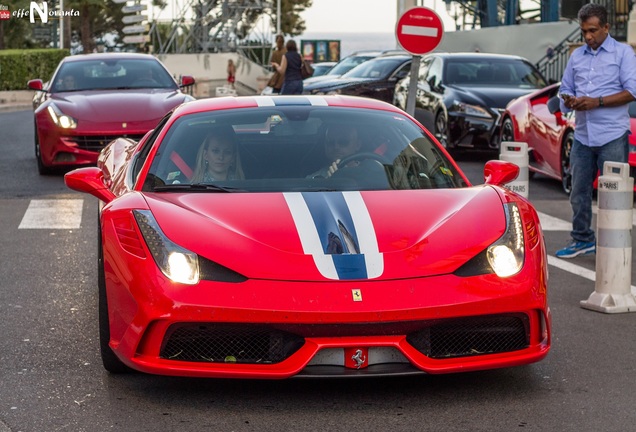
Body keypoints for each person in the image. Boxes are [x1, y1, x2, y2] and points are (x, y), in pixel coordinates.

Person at [555, 3, 636, 259]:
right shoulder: (577, 56)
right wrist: (568, 99)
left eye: (592, 30)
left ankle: (616, 244)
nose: (588, 36)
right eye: (584, 32)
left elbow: (633, 91)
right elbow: (564, 88)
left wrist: (596, 101)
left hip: (612, 134)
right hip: (582, 135)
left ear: (606, 28)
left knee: (614, 193)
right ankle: (582, 239)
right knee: (578, 191)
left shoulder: (623, 53)